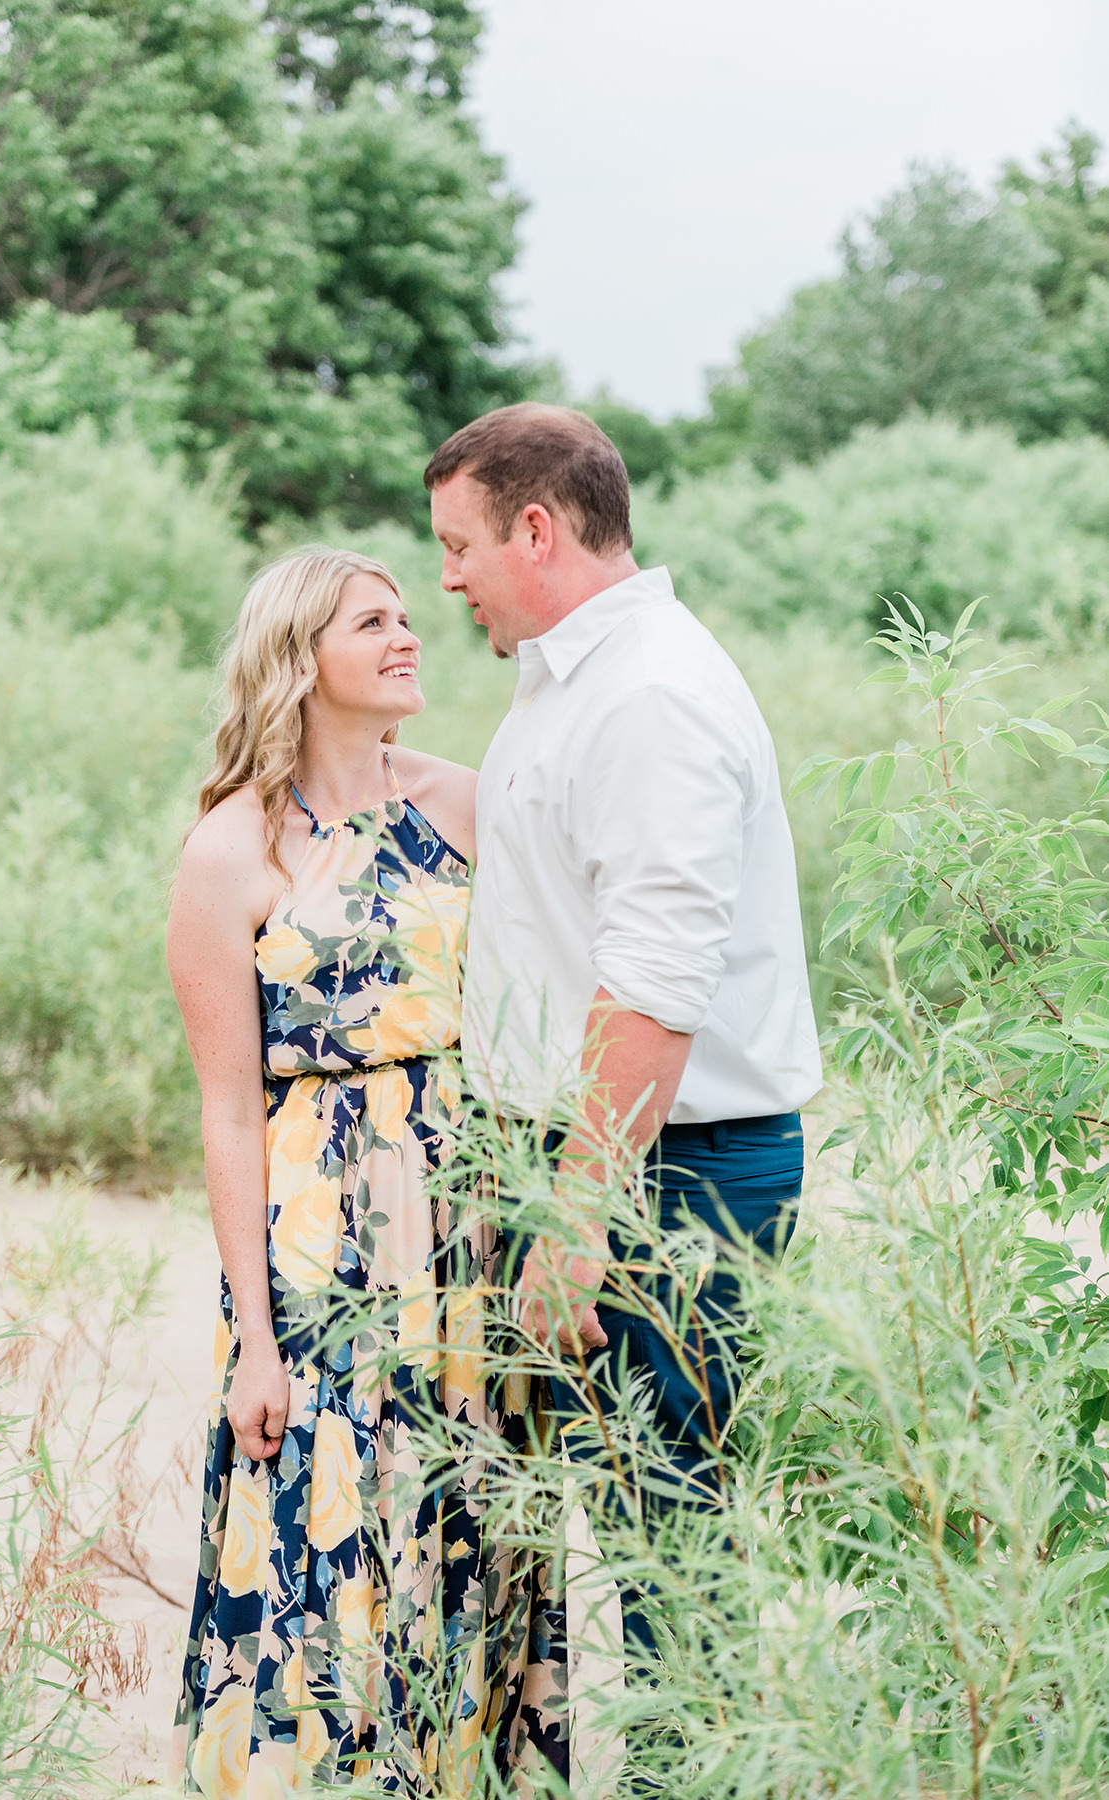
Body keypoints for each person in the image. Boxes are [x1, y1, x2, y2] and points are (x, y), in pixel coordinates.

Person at [166, 547, 566, 1796]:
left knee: (473, 1526)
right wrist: (255, 1341)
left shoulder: (464, 800)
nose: (408, 637)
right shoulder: (231, 852)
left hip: (473, 1233)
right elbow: (228, 1113)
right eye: (373, 622)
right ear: (300, 659)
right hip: (319, 1246)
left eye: (407, 615)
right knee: (327, 1532)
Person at [425, 404, 823, 1651]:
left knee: (670, 1553)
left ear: (533, 530)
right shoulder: (577, 680)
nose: (447, 579)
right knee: (613, 1535)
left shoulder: (650, 695)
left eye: (457, 547)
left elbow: (651, 988)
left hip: (667, 1177)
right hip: (611, 1165)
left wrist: (573, 1220)